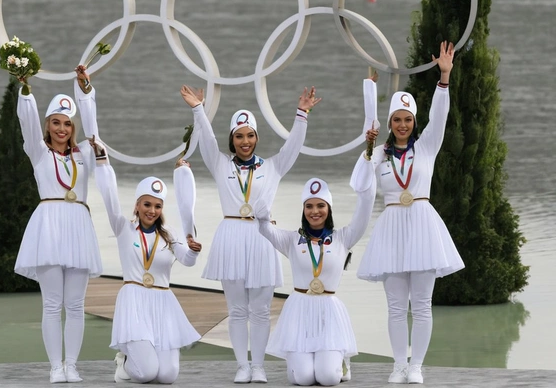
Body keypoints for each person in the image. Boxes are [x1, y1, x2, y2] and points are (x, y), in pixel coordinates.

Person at [180, 84, 321, 383]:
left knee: (260, 309)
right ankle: (242, 365)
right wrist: (198, 110)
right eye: (239, 136)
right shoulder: (220, 165)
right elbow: (206, 140)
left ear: (257, 137)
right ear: (232, 139)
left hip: (262, 237)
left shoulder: (273, 167)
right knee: (236, 309)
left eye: (250, 135)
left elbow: (293, 146)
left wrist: (302, 114)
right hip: (231, 236)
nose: (245, 141)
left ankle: (258, 366)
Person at [356, 41, 465, 384]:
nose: (402, 125)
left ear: (414, 122)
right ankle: (398, 365)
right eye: (397, 120)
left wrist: (443, 78)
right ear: (389, 122)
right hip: (390, 227)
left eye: (407, 120)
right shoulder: (379, 154)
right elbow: (358, 184)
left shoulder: (427, 146)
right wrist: (367, 147)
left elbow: (440, 116)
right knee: (394, 307)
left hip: (421, 224)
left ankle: (416, 365)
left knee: (421, 304)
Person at [256, 118, 378, 386]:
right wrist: (261, 215)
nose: (314, 211)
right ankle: (301, 360)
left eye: (320, 206)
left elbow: (365, 207)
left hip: (329, 314)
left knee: (327, 378)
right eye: (309, 206)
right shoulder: (292, 240)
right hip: (299, 313)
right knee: (302, 379)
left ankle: (340, 363)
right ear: (303, 210)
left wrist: (368, 159)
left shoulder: (344, 237)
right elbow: (264, 229)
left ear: (329, 209)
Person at [14, 68, 102, 383]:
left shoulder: (84, 155)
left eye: (67, 123)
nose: (62, 129)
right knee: (52, 303)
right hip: (49, 227)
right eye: (55, 122)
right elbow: (26, 123)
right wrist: (25, 89)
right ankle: (55, 366)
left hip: (78, 225)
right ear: (47, 126)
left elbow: (94, 129)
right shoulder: (38, 152)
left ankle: (72, 365)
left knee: (76, 304)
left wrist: (86, 89)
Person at [92, 141, 202, 384]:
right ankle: (125, 362)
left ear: (162, 208)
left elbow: (187, 260)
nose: (152, 210)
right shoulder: (123, 228)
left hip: (163, 304)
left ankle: (141, 358)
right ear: (137, 205)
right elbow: (109, 196)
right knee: (147, 373)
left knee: (168, 376)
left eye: (157, 206)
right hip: (134, 302)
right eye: (147, 204)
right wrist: (102, 162)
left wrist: (194, 251)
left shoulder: (170, 234)